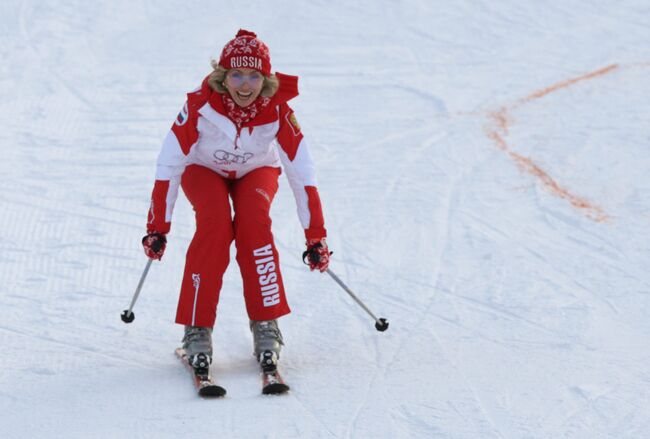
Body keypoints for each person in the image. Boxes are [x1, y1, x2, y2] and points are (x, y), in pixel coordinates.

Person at [141, 29, 330, 371]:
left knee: (254, 223)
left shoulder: (278, 111)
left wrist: (315, 235)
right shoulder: (199, 106)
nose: (245, 85)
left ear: (266, 78)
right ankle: (197, 327)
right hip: (204, 168)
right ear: (222, 76)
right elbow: (169, 162)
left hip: (256, 170)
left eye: (254, 76)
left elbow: (302, 171)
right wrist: (158, 227)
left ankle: (266, 321)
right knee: (214, 224)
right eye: (237, 75)